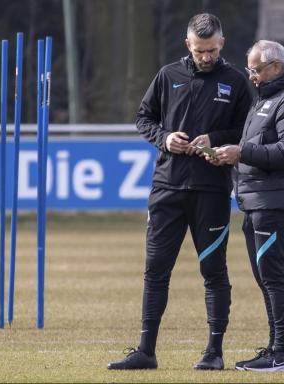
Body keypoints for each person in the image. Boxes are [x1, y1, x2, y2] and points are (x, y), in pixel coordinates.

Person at [107, 13, 251, 371]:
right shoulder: (168, 75)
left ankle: (214, 352)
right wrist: (165, 138)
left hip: (211, 191)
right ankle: (145, 351)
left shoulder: (235, 81)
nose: (207, 57)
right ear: (188, 45)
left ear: (222, 44)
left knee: (214, 271)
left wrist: (216, 140)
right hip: (167, 189)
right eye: (200, 50)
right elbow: (144, 118)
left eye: (212, 50)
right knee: (155, 270)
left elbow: (248, 130)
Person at [205, 40, 284, 372]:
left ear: (276, 68)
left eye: (255, 70)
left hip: (276, 201)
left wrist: (242, 153)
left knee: (274, 275)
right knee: (265, 276)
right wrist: (227, 154)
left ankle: (283, 354)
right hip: (256, 199)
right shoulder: (267, 98)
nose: (251, 76)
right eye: (249, 70)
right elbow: (254, 147)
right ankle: (274, 348)